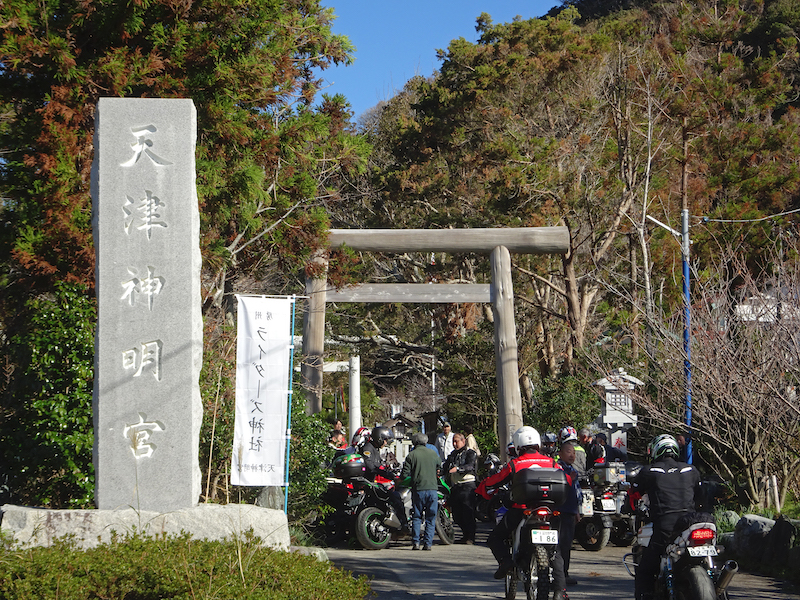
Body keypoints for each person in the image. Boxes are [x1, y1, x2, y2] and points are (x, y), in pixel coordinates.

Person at [476, 426, 571, 600]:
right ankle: (560, 591)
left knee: (494, 538)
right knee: (555, 550)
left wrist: (482, 489)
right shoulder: (551, 462)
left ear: (518, 445)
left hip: (521, 510)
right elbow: (568, 480)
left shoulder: (515, 463)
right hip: (549, 512)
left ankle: (506, 563)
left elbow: (494, 481)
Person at [631, 434, 700, 600]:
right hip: (693, 523)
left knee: (645, 569)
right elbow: (701, 497)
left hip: (666, 526)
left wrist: (632, 508)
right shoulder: (691, 470)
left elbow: (633, 496)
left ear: (656, 450)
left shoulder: (649, 471)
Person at [362, 426, 410, 532]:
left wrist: (388, 471)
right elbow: (370, 466)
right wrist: (387, 474)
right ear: (379, 438)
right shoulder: (368, 448)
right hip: (368, 483)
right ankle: (404, 525)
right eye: (385, 439)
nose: (386, 442)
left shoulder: (374, 449)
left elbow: (378, 465)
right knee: (395, 496)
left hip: (371, 482)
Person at [401, 432, 441, 551]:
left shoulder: (411, 455)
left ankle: (416, 543)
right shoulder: (433, 453)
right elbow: (440, 467)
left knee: (417, 516)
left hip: (418, 490)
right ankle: (428, 544)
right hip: (432, 489)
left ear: (414, 442)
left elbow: (404, 474)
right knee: (431, 517)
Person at [442, 432, 478, 544]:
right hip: (456, 486)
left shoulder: (470, 453)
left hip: (468, 485)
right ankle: (465, 534)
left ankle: (470, 537)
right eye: (453, 441)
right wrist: (440, 471)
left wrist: (458, 469)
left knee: (468, 512)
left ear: (463, 441)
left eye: (456, 441)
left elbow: (470, 466)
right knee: (457, 514)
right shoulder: (453, 454)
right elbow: (445, 466)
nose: (454, 444)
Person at [557, 442, 581, 586]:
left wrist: (577, 511)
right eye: (568, 452)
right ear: (560, 454)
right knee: (560, 545)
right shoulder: (557, 468)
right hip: (560, 511)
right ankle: (558, 575)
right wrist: (569, 479)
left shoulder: (572, 470)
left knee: (566, 545)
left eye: (573, 452)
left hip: (571, 511)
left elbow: (576, 492)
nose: (572, 455)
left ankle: (564, 573)